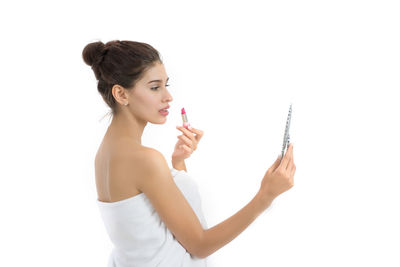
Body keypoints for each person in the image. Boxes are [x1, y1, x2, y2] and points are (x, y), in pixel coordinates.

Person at [82, 40, 296, 267]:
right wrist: (266, 196)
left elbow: (148, 236)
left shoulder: (106, 154)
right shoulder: (144, 159)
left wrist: (178, 165)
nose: (168, 97)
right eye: (155, 87)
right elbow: (199, 245)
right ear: (121, 94)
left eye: (166, 84)